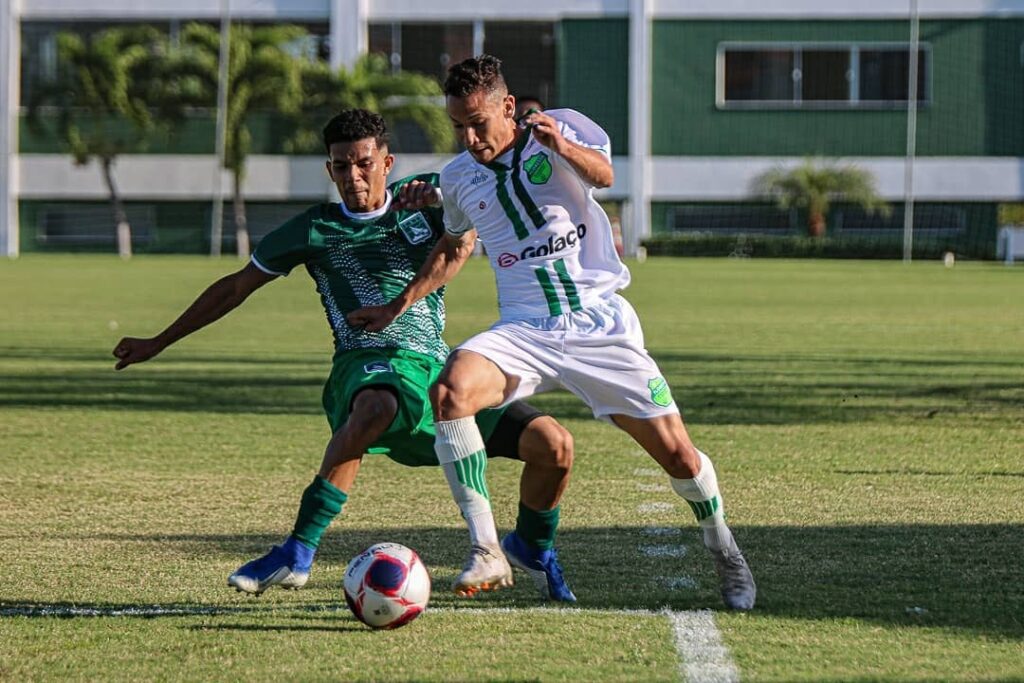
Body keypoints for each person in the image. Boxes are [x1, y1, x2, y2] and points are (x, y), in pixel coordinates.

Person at [111, 108, 577, 602]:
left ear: (387, 162)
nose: (353, 176)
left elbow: (494, 194)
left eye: (364, 163)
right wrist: (158, 341)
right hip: (365, 362)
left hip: (438, 371)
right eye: (341, 166)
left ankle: (532, 545)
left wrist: (530, 136)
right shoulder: (314, 229)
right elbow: (235, 288)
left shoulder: (429, 196)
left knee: (554, 445)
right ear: (329, 169)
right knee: (376, 406)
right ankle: (298, 551)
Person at [348, 56, 756, 610]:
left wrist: (560, 145)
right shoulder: (458, 178)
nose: (469, 138)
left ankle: (724, 549)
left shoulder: (560, 130)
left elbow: (606, 177)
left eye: (478, 122)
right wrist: (398, 304)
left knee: (680, 458)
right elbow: (454, 246)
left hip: (598, 323)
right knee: (450, 392)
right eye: (458, 126)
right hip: (523, 328)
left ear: (508, 107)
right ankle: (488, 548)